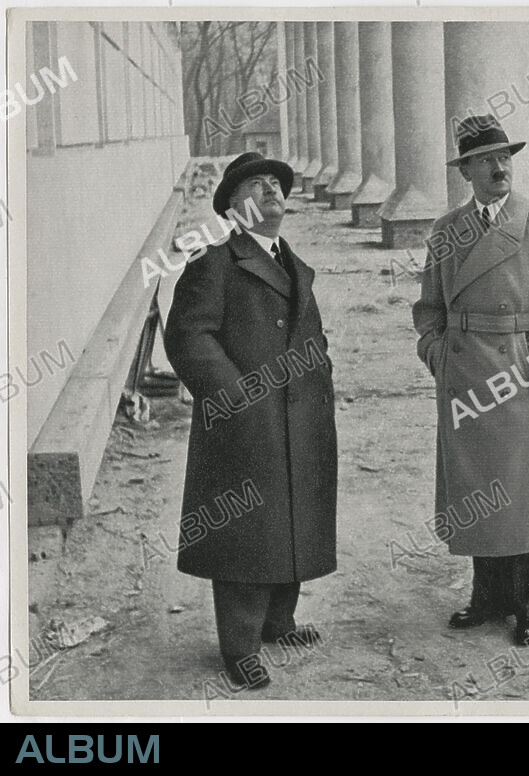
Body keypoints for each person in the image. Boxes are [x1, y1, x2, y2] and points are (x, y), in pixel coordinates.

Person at [164, 152, 337, 687]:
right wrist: (237, 399)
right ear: (233, 207)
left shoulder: (289, 258)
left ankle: (278, 620)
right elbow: (187, 337)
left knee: (292, 520)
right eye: (257, 185)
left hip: (301, 417)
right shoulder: (213, 262)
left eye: (276, 185)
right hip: (246, 422)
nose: (272, 192)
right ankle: (239, 646)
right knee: (246, 531)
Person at [412, 115, 529, 646]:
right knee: (477, 490)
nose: (498, 166)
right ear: (466, 170)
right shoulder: (445, 230)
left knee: (526, 495)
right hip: (464, 374)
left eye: (505, 156)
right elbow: (429, 308)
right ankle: (487, 597)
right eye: (485, 158)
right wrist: (437, 352)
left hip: (521, 379)